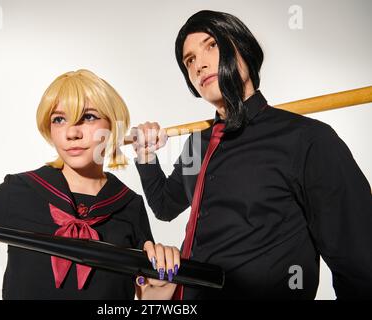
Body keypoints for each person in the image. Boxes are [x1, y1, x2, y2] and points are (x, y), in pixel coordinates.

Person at [132, 10, 372, 300]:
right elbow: (165, 206)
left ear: (243, 48)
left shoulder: (308, 140)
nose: (199, 65)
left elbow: (358, 265)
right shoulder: (197, 144)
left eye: (212, 45)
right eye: (190, 60)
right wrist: (145, 155)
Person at [0, 69, 180, 300]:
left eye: (88, 117)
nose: (71, 132)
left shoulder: (129, 204)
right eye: (59, 119)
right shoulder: (19, 191)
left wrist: (161, 290)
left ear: (113, 126)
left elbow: (145, 292)